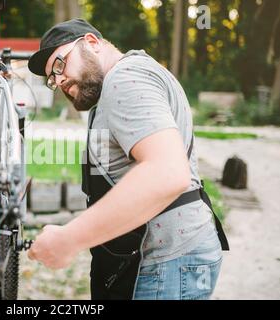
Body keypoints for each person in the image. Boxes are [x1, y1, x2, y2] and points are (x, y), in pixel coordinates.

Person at [27, 19, 229, 300]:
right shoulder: (127, 79)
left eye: (59, 65)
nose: (58, 80)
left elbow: (167, 172)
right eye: (51, 78)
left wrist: (68, 239)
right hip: (163, 256)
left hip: (164, 260)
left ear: (92, 43)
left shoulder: (125, 80)